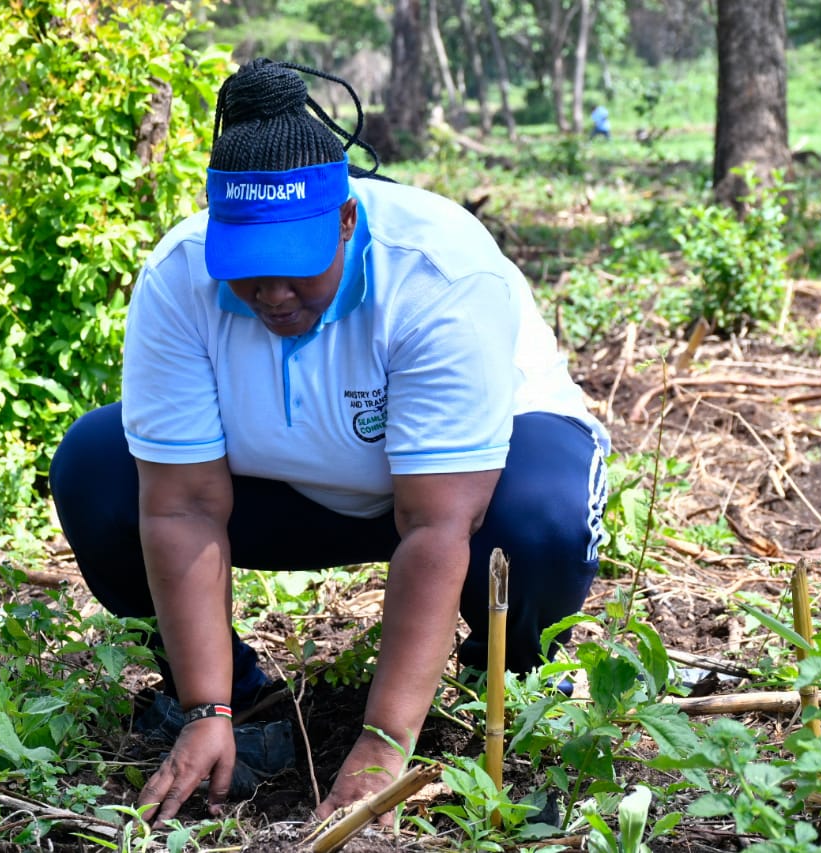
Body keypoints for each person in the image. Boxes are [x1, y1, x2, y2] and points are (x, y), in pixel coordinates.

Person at [48, 58, 609, 824]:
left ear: (348, 219)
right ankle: (243, 699)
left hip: (469, 494)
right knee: (96, 468)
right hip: (286, 487)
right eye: (248, 271)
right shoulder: (179, 279)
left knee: (544, 516)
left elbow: (437, 522)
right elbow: (181, 507)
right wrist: (205, 704)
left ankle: (501, 677)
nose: (273, 295)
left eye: (297, 268)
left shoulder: (437, 274)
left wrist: (382, 744)